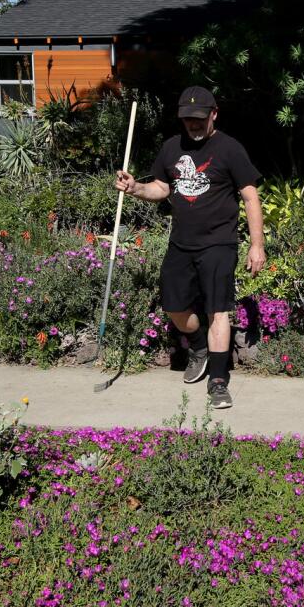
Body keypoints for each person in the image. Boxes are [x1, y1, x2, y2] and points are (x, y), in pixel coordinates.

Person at [115, 86, 265, 408]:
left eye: (199, 119)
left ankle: (219, 381)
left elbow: (251, 197)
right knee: (174, 306)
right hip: (181, 244)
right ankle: (198, 345)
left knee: (218, 311)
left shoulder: (230, 149)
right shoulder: (172, 148)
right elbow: (161, 187)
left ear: (214, 114)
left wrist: (257, 245)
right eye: (187, 120)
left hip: (219, 244)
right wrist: (135, 187)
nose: (193, 126)